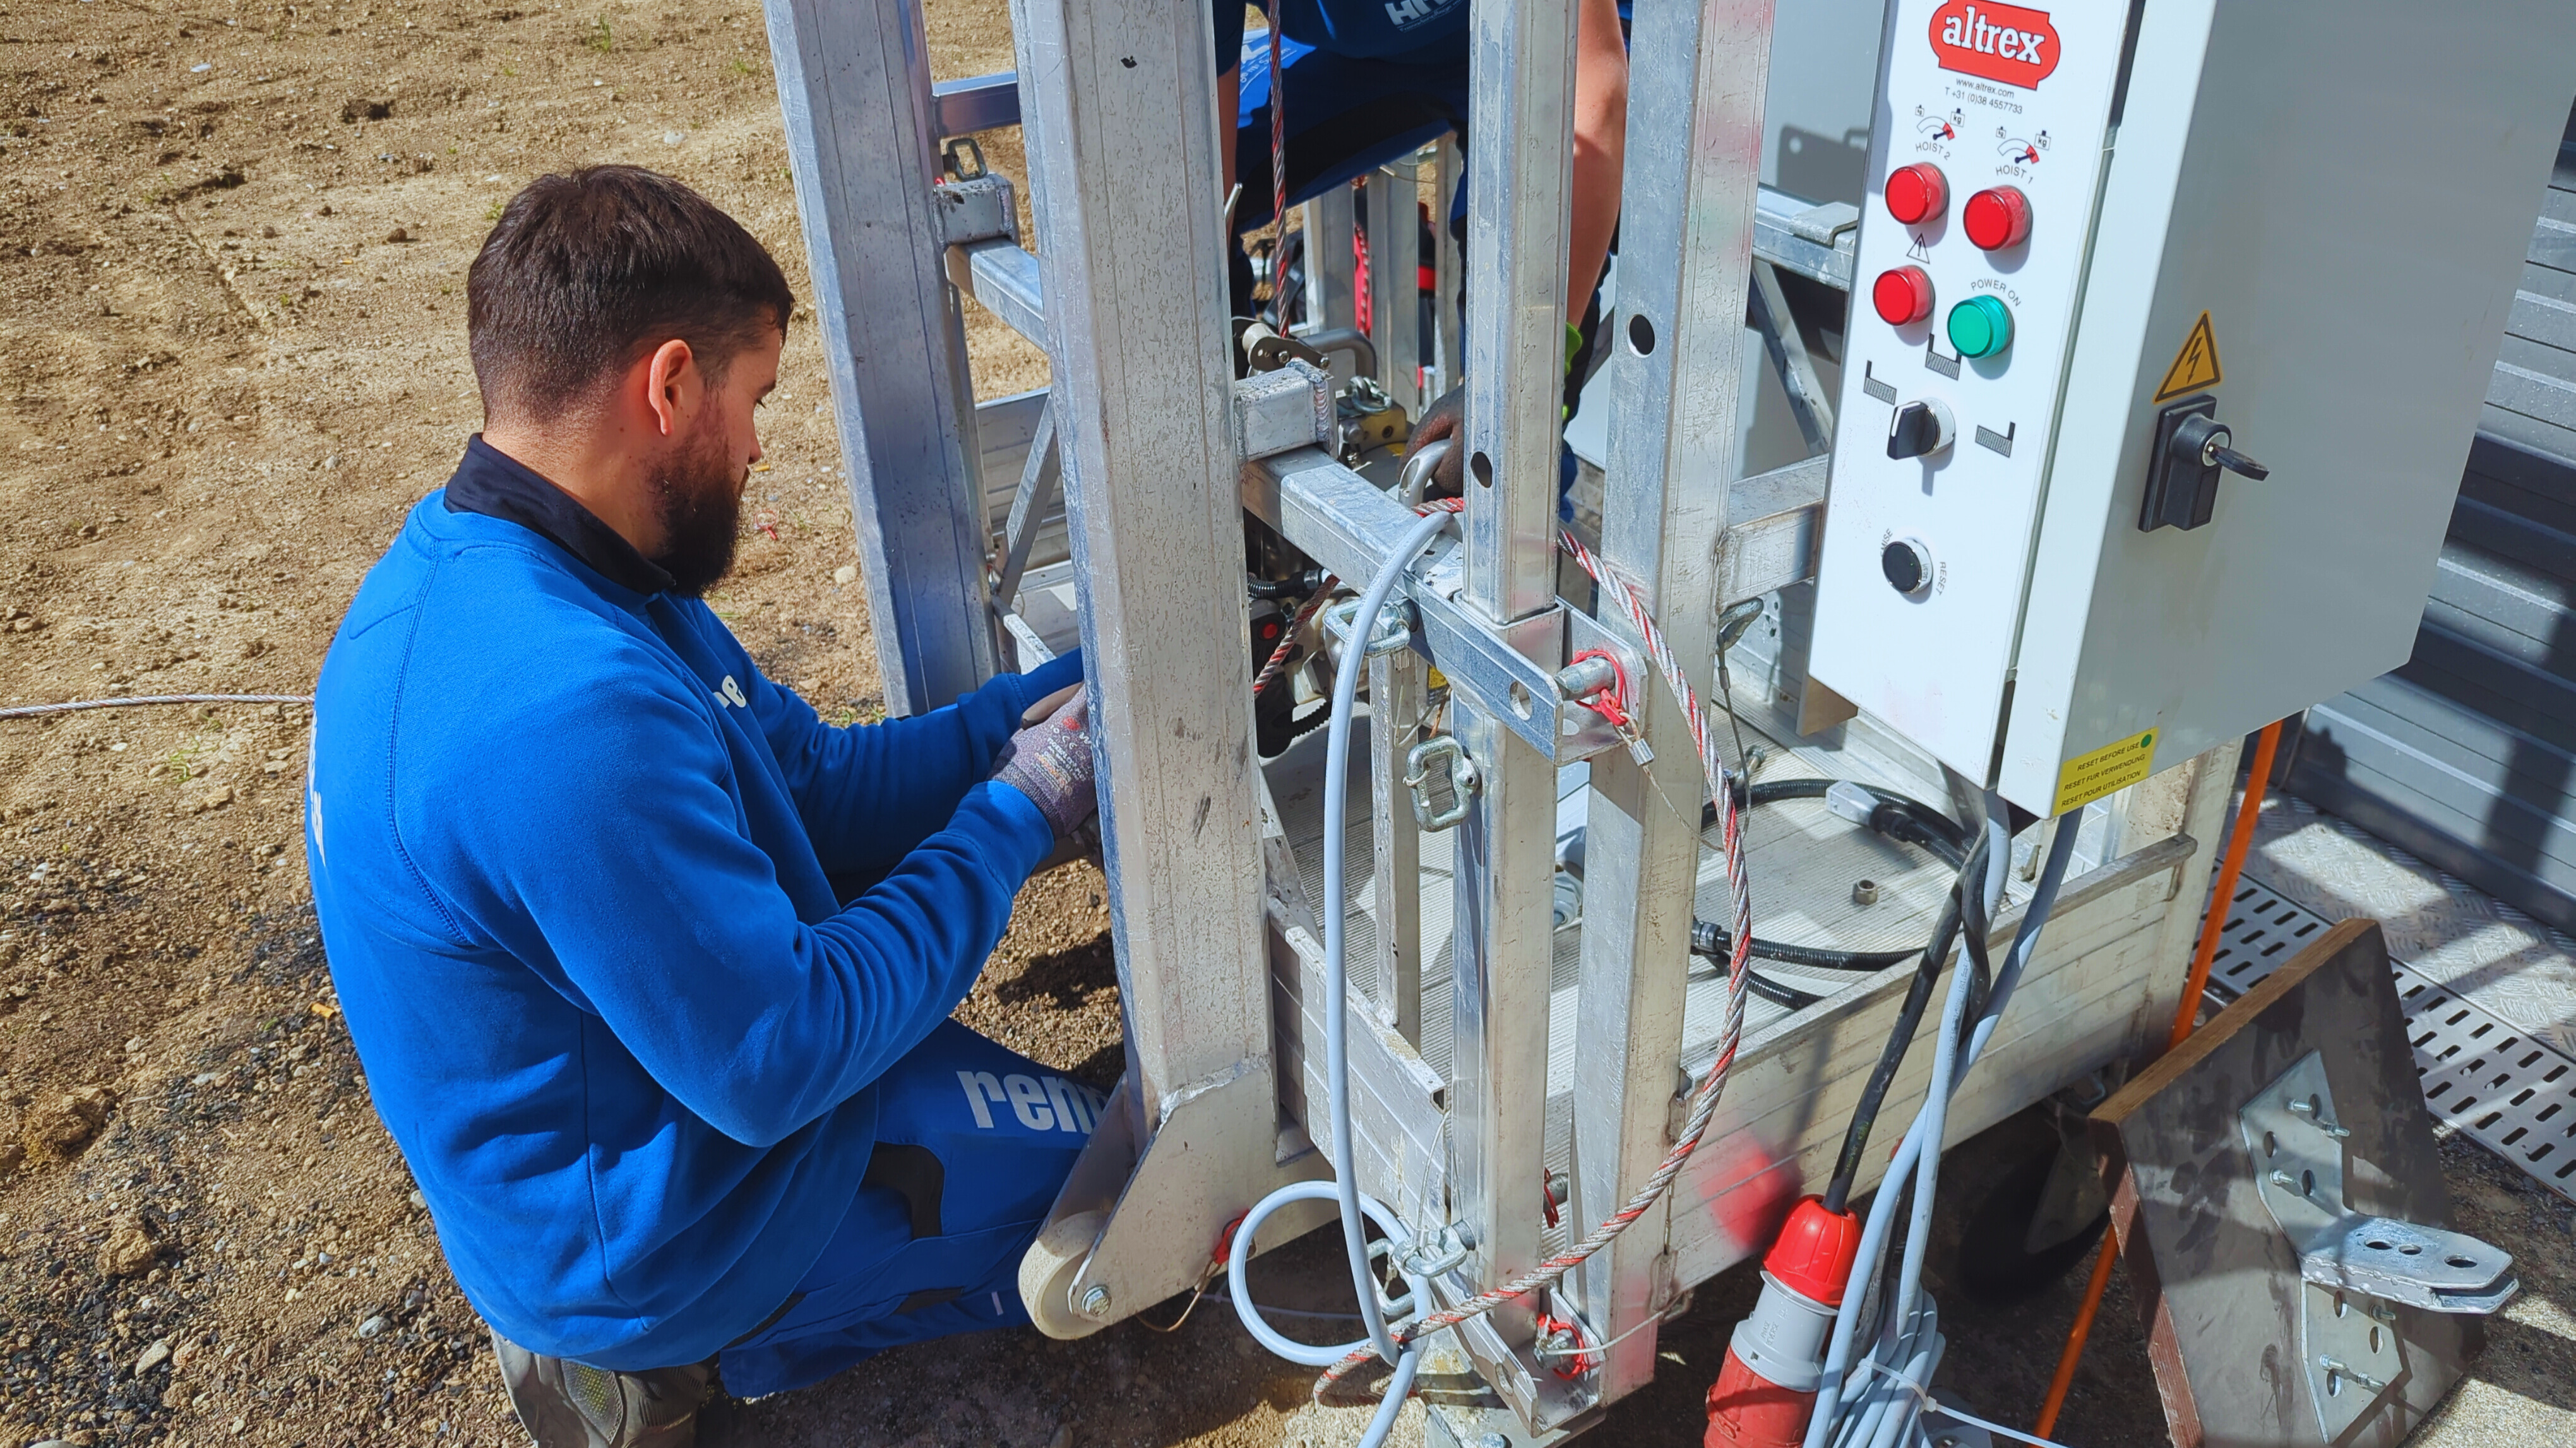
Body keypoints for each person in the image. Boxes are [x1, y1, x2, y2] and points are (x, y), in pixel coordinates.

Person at [304, 165, 1106, 1448]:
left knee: (989, 1069)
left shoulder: (555, 564)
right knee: (1122, 1189)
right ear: (672, 384)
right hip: (669, 1227)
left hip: (656, 1086)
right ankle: (651, 1367)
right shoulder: (564, 712)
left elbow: (817, 789)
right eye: (754, 399)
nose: (755, 447)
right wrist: (1018, 815)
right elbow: (781, 1055)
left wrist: (1042, 710)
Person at [1214, 0, 1630, 494]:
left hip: (1548, 39)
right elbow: (1202, 177)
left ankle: (1526, 520)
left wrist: (1520, 387)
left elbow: (1590, 102)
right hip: (1369, 55)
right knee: (1171, 197)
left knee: (1510, 383)